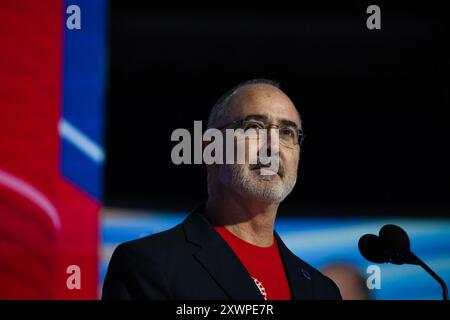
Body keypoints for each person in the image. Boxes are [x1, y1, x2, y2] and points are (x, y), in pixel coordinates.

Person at [102, 79, 341, 300]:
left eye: (287, 133)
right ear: (211, 150)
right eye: (254, 127)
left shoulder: (322, 291)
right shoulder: (149, 265)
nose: (273, 147)